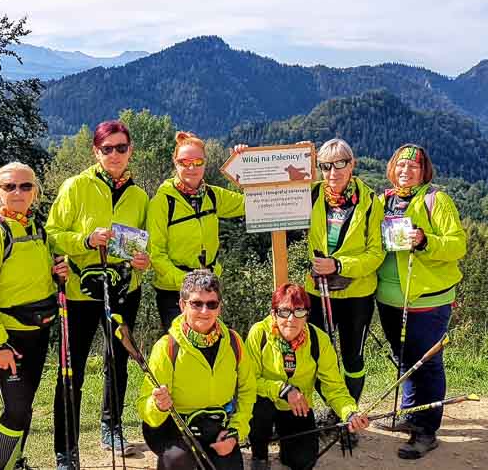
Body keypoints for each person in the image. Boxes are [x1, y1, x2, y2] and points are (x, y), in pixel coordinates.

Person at [46, 119, 151, 469]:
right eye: (108, 149)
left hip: (124, 289)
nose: (115, 154)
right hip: (80, 292)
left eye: (122, 148)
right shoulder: (76, 186)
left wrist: (141, 260)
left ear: (130, 150)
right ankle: (66, 450)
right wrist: (86, 240)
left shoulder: (139, 195)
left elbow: (143, 242)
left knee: (117, 361)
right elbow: (52, 235)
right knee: (70, 369)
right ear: (96, 151)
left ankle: (112, 427)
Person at [0, 162, 68, 469]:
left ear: (35, 191)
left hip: (38, 331)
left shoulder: (36, 228)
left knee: (25, 406)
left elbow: (30, 280)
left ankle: (17, 462)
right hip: (8, 336)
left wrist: (56, 274)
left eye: (26, 186)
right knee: (16, 409)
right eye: (10, 186)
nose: (18, 192)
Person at [375, 144, 466, 459]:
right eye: (400, 165)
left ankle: (426, 431)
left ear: (424, 171)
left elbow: (457, 245)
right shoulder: (383, 201)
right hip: (388, 299)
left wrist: (425, 240)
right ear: (392, 168)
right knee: (404, 359)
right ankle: (411, 415)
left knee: (426, 363)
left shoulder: (435, 200)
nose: (405, 171)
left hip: (427, 298)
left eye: (413, 167)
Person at [137, 270, 256, 470]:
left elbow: (248, 390)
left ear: (219, 307)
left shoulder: (234, 342)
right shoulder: (167, 347)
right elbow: (145, 407)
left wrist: (235, 432)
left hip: (217, 426)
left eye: (212, 304)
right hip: (174, 427)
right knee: (176, 461)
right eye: (196, 304)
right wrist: (157, 405)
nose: (204, 311)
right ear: (183, 305)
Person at [246, 283, 370, 470]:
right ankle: (259, 454)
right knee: (259, 406)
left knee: (303, 461)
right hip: (265, 403)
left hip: (298, 407)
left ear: (307, 315)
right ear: (273, 314)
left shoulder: (319, 339)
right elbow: (248, 381)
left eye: (299, 312)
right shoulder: (259, 333)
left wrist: (349, 412)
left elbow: (334, 387)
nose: (291, 319)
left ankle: (287, 448)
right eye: (284, 312)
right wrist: (283, 389)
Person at [304, 138, 384, 404]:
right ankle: (332, 410)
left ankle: (349, 415)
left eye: (340, 164)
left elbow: (376, 254)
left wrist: (339, 265)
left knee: (352, 357)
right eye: (325, 166)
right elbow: (269, 188)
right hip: (318, 292)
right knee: (319, 355)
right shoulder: (311, 194)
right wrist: (244, 156)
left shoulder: (370, 202)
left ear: (353, 165)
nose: (332, 172)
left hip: (356, 295)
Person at [148, 131, 245, 331]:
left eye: (198, 162)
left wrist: (246, 167)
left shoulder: (213, 195)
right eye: (184, 162)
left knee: (208, 345)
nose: (191, 167)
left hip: (209, 287)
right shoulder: (162, 201)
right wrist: (188, 284)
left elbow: (253, 204)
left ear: (205, 163)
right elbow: (155, 254)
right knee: (180, 350)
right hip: (174, 292)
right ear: (175, 163)